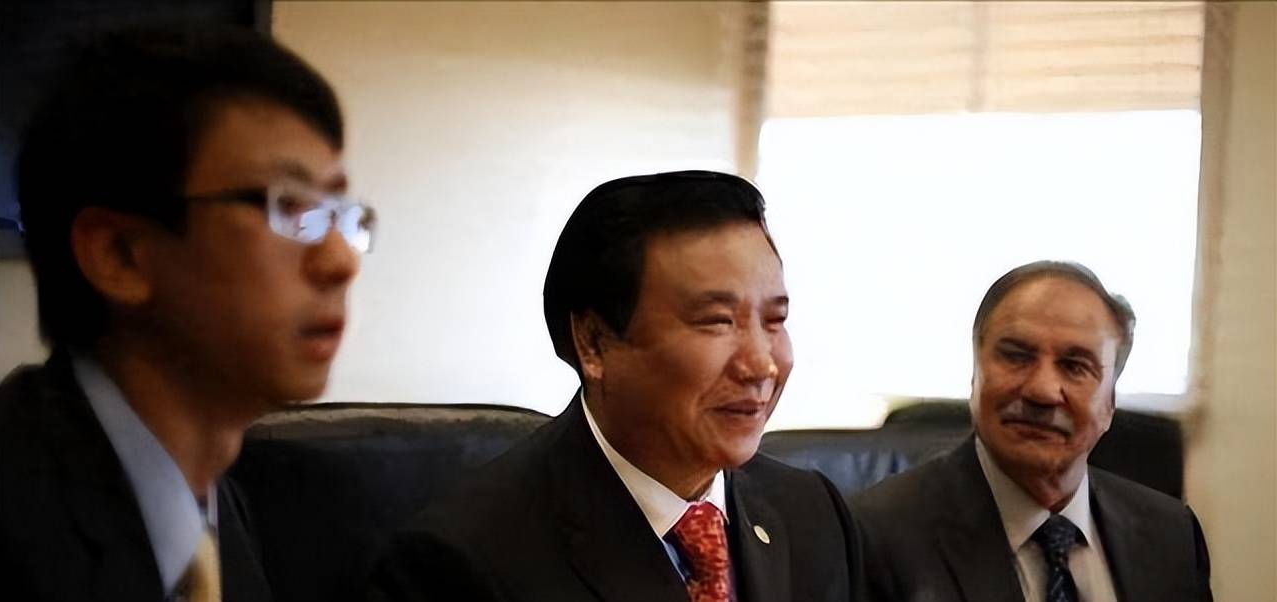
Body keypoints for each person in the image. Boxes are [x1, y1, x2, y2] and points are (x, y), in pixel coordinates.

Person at [0, 26, 373, 602]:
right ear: (120, 255)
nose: (341, 262)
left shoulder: (267, 508)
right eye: (290, 207)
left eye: (339, 215)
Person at [370, 170, 863, 601]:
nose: (761, 364)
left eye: (775, 321)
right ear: (594, 343)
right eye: (717, 321)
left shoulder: (811, 512)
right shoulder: (463, 559)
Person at [850, 261, 1212, 602]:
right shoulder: (873, 535)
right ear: (975, 375)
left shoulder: (1172, 535)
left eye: (1075, 366)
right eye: (1016, 355)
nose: (1042, 390)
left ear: (1109, 404)